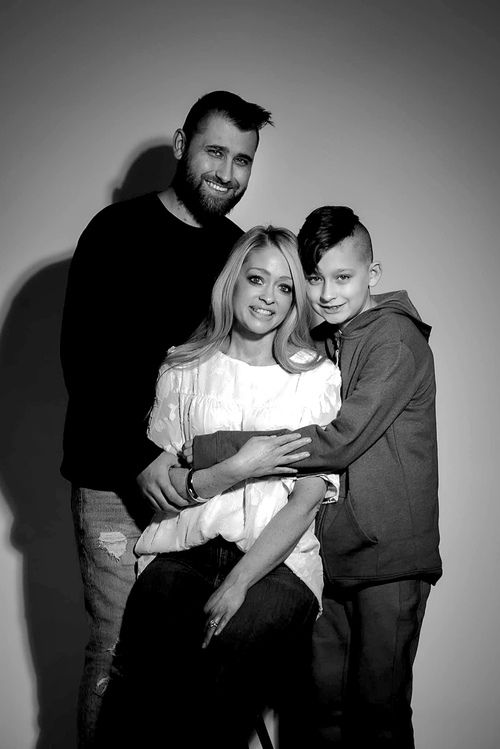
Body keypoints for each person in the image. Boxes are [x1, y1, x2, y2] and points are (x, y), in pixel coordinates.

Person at [60, 90, 276, 746]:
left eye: (242, 160)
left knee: (191, 657)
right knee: (118, 648)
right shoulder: (115, 232)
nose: (228, 173)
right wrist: (139, 458)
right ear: (182, 147)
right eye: (216, 152)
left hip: (198, 489)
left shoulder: (239, 252)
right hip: (114, 483)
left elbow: (248, 364)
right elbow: (84, 361)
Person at [191, 206, 442, 747]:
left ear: (373, 275)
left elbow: (339, 440)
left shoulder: (394, 342)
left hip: (390, 559)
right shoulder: (328, 342)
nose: (327, 293)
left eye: (342, 277)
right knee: (319, 714)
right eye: (314, 278)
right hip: (334, 556)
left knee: (378, 715)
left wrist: (215, 450)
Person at [96, 226, 341, 749]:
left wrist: (238, 583)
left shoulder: (316, 378)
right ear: (233, 282)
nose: (268, 297)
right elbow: (163, 486)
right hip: (184, 551)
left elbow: (307, 500)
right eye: (257, 279)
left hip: (277, 563)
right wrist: (238, 467)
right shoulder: (183, 367)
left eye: (285, 287)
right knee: (141, 682)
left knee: (225, 667)